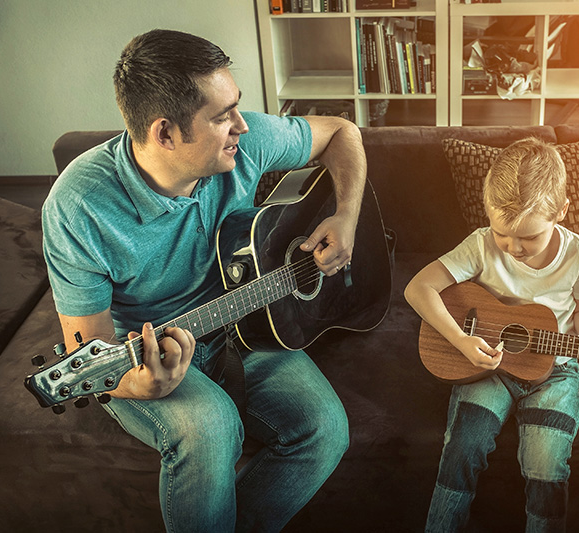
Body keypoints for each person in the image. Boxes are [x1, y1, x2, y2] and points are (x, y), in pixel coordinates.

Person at [42, 29, 367, 532]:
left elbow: (343, 132)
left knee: (325, 428)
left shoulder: (245, 143)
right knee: (212, 427)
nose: (242, 125)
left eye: (236, 106)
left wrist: (346, 214)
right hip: (151, 351)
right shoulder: (77, 206)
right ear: (165, 133)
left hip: (249, 323)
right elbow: (92, 347)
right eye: (221, 117)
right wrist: (141, 383)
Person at [404, 137, 579, 532]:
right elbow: (418, 288)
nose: (513, 248)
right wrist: (460, 340)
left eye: (529, 237)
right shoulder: (482, 245)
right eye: (503, 233)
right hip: (488, 366)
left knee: (546, 463)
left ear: (561, 212)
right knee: (462, 448)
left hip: (554, 372)